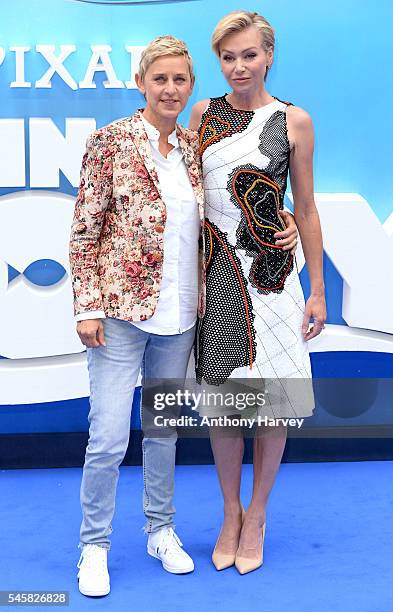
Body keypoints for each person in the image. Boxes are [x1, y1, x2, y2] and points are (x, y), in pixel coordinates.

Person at [69, 34, 298, 595]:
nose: (170, 89)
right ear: (141, 83)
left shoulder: (196, 148)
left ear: (191, 87)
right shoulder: (111, 143)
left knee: (164, 432)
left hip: (181, 318)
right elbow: (84, 228)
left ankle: (160, 531)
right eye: (160, 79)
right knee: (106, 439)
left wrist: (283, 214)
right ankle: (93, 546)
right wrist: (88, 306)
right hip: (121, 317)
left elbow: (232, 198)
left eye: (180, 80)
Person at [189, 11, 326, 574]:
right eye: (228, 57)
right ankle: (229, 512)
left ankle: (259, 513)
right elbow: (190, 197)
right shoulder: (202, 115)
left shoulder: (294, 121)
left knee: (272, 404)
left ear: (268, 56)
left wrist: (317, 289)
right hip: (217, 278)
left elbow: (308, 207)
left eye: (249, 55)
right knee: (224, 406)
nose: (238, 67)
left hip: (273, 280)